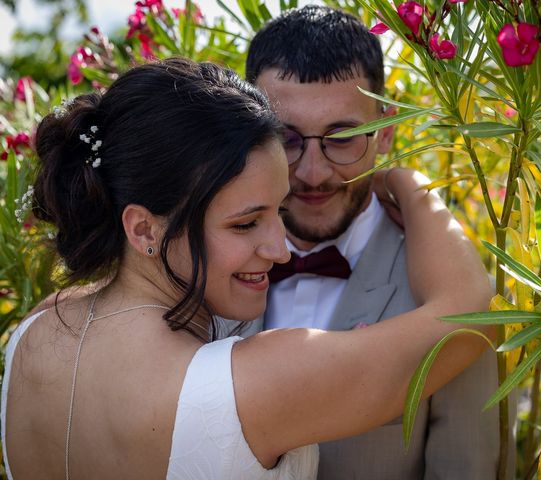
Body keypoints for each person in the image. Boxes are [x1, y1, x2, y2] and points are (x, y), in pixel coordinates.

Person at [1, 57, 492, 480]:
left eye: (278, 212)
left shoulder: (33, 335)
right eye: (244, 224)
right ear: (144, 229)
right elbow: (467, 315)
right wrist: (410, 184)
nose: (280, 251)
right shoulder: (256, 381)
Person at [245, 5, 504, 479]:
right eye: (286, 138)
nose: (312, 172)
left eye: (344, 137)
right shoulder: (204, 266)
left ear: (384, 131)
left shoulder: (450, 294)